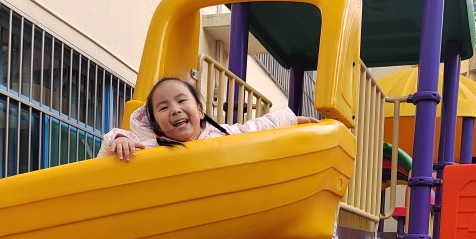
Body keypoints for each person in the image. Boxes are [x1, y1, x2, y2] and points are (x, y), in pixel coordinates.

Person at [98, 76, 318, 161]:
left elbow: (253, 128)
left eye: (181, 101)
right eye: (163, 107)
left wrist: (290, 119)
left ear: (200, 111)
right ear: (155, 123)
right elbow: (104, 158)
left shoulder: (221, 135)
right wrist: (118, 139)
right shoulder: (150, 147)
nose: (175, 109)